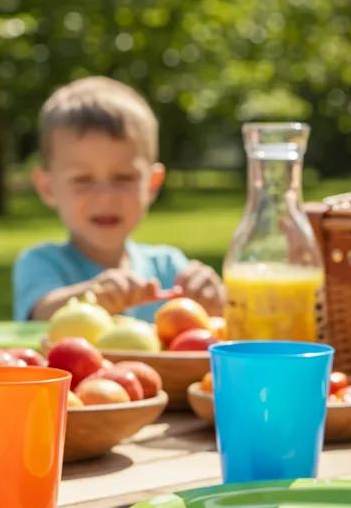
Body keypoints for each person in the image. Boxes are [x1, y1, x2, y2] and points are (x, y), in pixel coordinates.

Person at [13, 76, 225, 323]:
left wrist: (216, 304)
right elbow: (41, 314)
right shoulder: (41, 262)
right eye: (82, 180)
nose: (106, 196)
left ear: (152, 184)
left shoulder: (169, 268)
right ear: (47, 187)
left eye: (124, 178)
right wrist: (92, 298)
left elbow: (213, 332)